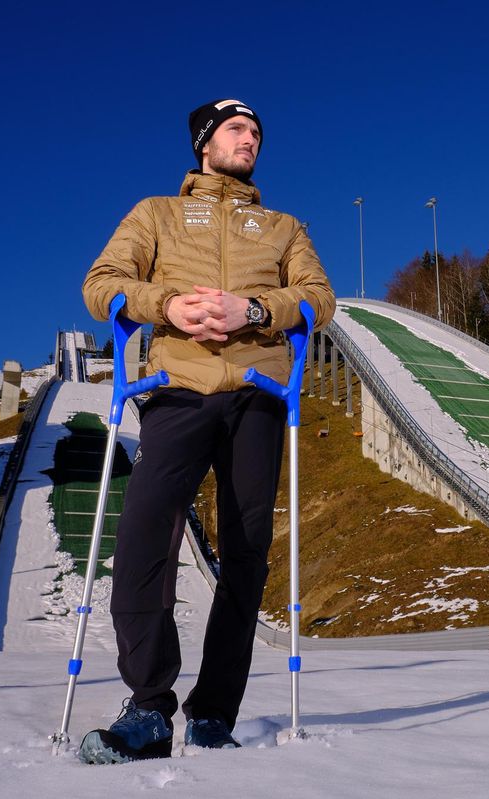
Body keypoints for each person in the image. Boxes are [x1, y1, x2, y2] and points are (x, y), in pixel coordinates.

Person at [78, 98, 335, 763]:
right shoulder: (156, 213)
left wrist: (254, 309)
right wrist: (167, 304)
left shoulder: (282, 227)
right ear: (204, 142)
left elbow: (319, 298)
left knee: (246, 552)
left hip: (258, 395)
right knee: (144, 533)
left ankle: (215, 713)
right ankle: (148, 706)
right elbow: (101, 284)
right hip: (178, 389)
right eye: (237, 129)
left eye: (257, 132)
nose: (251, 139)